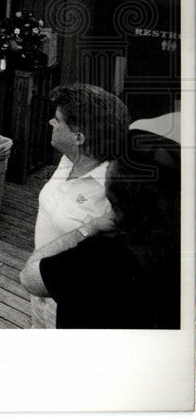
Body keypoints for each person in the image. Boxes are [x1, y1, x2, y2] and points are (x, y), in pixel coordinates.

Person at [20, 148, 180, 329]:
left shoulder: (102, 254)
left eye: (113, 165)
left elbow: (29, 278)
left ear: (115, 189)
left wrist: (89, 228)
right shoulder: (176, 248)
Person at [27, 83, 131, 327]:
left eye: (57, 119)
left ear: (78, 137)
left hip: (71, 302)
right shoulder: (68, 159)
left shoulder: (112, 190)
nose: (51, 123)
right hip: (40, 284)